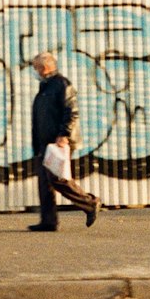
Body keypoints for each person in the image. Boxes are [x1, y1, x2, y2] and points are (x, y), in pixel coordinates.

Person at [29, 51, 101, 232]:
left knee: (57, 179)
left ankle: (90, 203)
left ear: (45, 67)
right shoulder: (46, 86)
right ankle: (48, 221)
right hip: (46, 142)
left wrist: (64, 135)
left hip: (58, 141)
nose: (35, 71)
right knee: (45, 183)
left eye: (36, 67)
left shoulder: (61, 84)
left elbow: (72, 112)